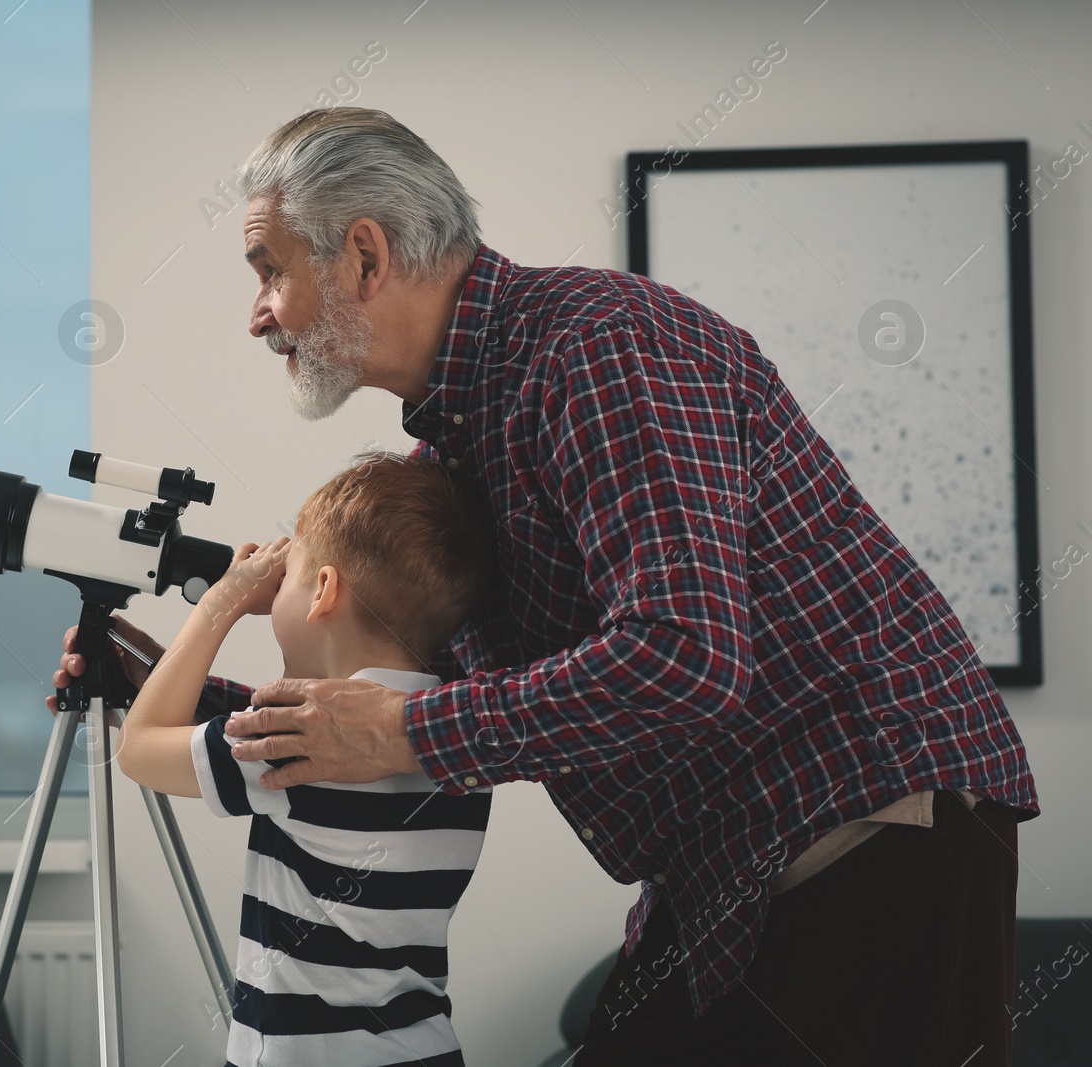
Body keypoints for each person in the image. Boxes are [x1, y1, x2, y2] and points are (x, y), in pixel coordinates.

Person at [56, 107, 1040, 1065]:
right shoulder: (451, 445)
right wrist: (169, 687)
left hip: (865, 821)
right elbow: (392, 694)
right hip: (723, 864)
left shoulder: (599, 348)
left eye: (269, 268)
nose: (256, 313)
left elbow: (684, 656)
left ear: (362, 254)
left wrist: (397, 731)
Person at [115, 451, 497, 1067]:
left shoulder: (308, 748)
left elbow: (138, 749)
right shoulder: (451, 734)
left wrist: (220, 605)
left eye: (288, 573)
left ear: (322, 591)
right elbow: (239, 722)